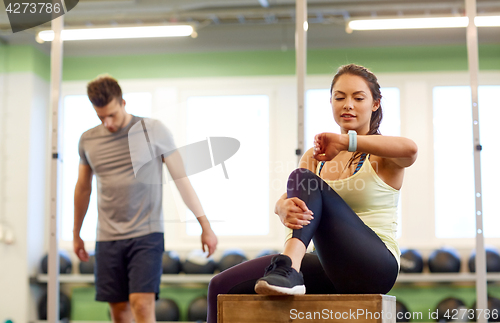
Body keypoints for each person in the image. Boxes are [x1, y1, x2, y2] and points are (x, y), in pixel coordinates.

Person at [207, 63, 417, 322]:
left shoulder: (384, 156)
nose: (347, 104)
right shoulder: (316, 157)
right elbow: (296, 196)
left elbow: (410, 150)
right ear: (330, 102)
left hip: (375, 267)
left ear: (375, 104)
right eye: (339, 97)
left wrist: (345, 141)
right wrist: (280, 207)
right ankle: (289, 268)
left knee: (305, 179)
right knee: (220, 287)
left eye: (358, 97)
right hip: (328, 267)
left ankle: (288, 267)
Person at [73, 75, 218, 323]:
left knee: (141, 304)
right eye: (100, 117)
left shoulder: (153, 130)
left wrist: (205, 225)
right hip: (107, 237)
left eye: (112, 115)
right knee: (118, 311)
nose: (107, 123)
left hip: (146, 235)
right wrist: (76, 233)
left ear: (123, 102)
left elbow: (181, 180)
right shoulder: (88, 140)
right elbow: (83, 189)